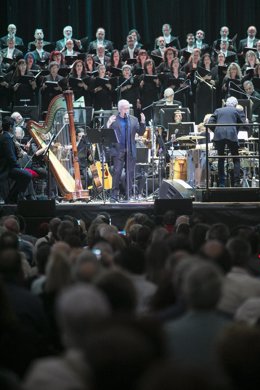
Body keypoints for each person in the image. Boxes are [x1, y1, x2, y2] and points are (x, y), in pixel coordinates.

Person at [107, 99, 146, 201]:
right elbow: (106, 134)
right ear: (120, 109)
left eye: (128, 108)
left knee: (130, 173)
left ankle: (128, 194)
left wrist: (143, 122)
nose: (127, 110)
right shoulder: (114, 119)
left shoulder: (133, 119)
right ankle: (114, 195)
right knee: (117, 172)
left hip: (130, 150)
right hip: (118, 150)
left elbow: (141, 132)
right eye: (125, 108)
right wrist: (108, 124)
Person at [208, 96, 246, 187]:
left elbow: (209, 123)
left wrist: (216, 131)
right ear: (235, 104)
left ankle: (221, 183)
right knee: (236, 158)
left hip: (219, 135)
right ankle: (236, 182)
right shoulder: (236, 111)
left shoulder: (218, 110)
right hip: (231, 135)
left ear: (226, 103)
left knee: (221, 158)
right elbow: (244, 124)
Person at [0, 116, 32, 203]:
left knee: (25, 175)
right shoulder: (6, 138)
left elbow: (13, 154)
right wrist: (19, 167)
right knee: (27, 175)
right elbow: (10, 157)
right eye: (14, 126)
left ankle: (14, 197)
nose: (15, 128)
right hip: (6, 169)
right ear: (10, 127)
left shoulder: (6, 136)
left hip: (9, 167)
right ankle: (13, 197)